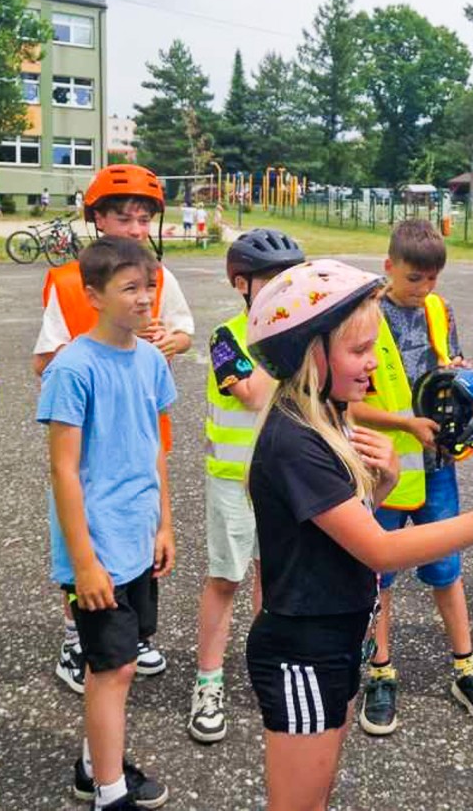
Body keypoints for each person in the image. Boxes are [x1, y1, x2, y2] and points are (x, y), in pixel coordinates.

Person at [242, 259, 473, 811]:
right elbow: (381, 549)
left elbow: (340, 530)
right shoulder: (296, 441)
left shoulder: (329, 418)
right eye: (359, 350)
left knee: (318, 795)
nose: (374, 361)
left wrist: (385, 482)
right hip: (303, 650)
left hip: (338, 637)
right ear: (309, 355)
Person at [34, 164, 193, 693]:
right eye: (124, 218)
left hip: (143, 429)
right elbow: (43, 359)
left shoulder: (158, 277)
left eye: (144, 220)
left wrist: (169, 342)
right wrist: (100, 352)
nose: (135, 229)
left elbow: (184, 332)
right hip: (93, 437)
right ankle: (77, 636)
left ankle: (131, 635)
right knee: (90, 536)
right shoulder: (69, 282)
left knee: (139, 539)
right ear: (98, 219)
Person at [347, 219, 473, 735]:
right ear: (388, 266)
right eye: (414, 278)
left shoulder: (441, 310)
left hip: (437, 467)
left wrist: (461, 379)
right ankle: (381, 673)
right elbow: (348, 404)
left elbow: (445, 373)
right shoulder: (364, 316)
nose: (423, 288)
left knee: (446, 569)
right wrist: (406, 426)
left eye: (433, 279)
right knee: (381, 576)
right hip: (384, 471)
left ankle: (466, 669)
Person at [38, 237, 177, 811]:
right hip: (96, 549)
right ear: (93, 295)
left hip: (138, 538)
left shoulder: (152, 360)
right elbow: (63, 470)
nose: (144, 299)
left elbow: (155, 449)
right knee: (114, 668)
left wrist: (165, 525)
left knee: (120, 664)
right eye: (130, 288)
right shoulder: (72, 368)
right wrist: (84, 564)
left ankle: (93, 767)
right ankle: (110, 792)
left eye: (150, 287)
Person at [188, 228, 307, 744]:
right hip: (233, 483)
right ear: (242, 283)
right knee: (226, 580)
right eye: (272, 278)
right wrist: (293, 348)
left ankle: (268, 664)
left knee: (273, 580)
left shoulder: (300, 334)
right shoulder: (226, 338)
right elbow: (255, 394)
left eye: (291, 278)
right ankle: (208, 681)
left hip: (283, 482)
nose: (284, 288)